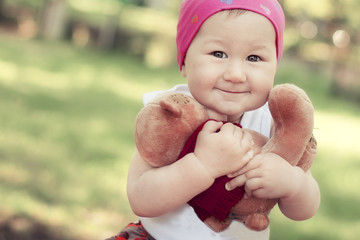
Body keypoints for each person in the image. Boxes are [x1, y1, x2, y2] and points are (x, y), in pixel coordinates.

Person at [107, 0, 320, 239]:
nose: (236, 75)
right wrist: (202, 165)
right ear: (185, 61)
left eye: (254, 58)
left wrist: (293, 183)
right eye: (218, 54)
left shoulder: (275, 124)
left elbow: (307, 209)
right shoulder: (172, 114)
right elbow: (141, 198)